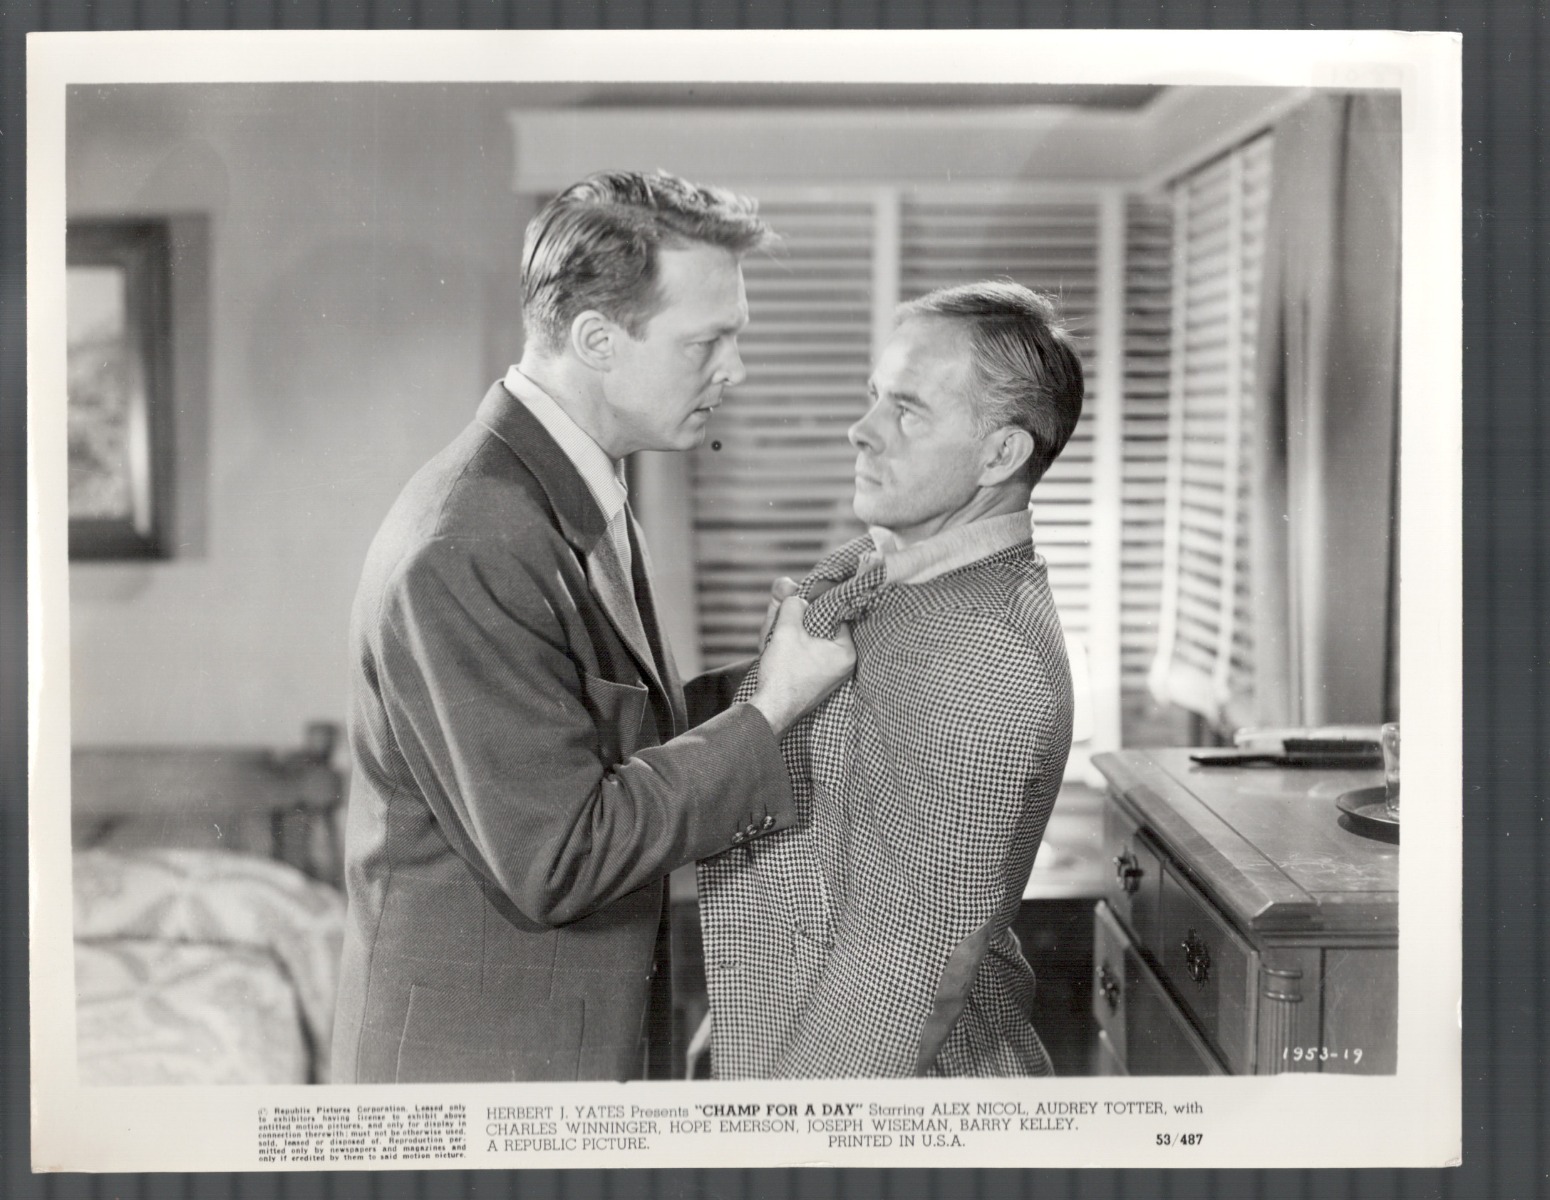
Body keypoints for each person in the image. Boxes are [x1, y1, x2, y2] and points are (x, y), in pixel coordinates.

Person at [331, 171, 855, 1084]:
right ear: (597, 340)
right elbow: (561, 856)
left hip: (560, 1048)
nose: (735, 369)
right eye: (708, 342)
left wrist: (771, 677)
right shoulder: (470, 542)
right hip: (482, 1077)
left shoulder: (570, 485)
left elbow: (604, 736)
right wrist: (767, 712)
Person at [698, 280, 1084, 1078]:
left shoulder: (987, 656)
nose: (862, 429)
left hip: (894, 1103)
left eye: (907, 411)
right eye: (874, 396)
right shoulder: (894, 572)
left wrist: (776, 1132)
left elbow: (900, 975)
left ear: (1000, 455)